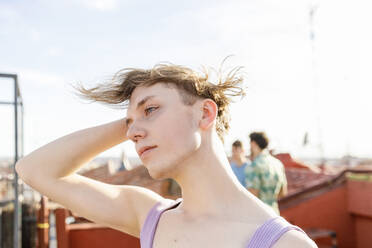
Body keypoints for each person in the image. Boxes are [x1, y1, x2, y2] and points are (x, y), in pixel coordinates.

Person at [16, 63, 316, 247]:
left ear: (205, 113)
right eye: (130, 124)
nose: (133, 134)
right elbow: (33, 170)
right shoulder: (150, 215)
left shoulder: (285, 245)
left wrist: (137, 120)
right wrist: (130, 122)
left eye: (151, 109)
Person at [246, 132, 288, 215]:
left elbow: (252, 196)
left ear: (253, 144)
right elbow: (283, 192)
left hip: (259, 216)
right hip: (274, 214)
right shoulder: (278, 164)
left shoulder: (254, 166)